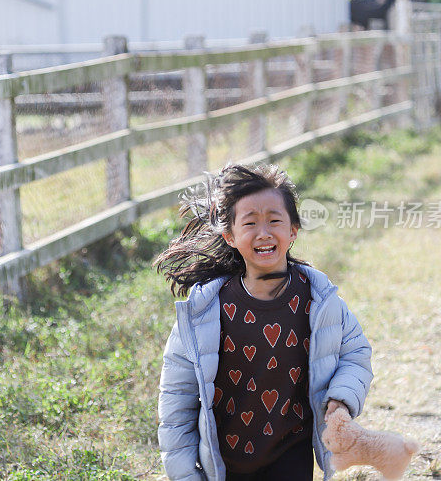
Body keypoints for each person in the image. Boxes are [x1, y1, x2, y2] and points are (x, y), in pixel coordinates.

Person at [155, 163, 372, 481]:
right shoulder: (203, 312)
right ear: (229, 235)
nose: (264, 233)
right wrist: (185, 472)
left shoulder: (320, 301)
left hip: (291, 454)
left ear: (293, 230)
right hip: (225, 463)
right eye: (250, 223)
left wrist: (340, 399)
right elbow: (177, 397)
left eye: (274, 220)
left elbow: (356, 354)